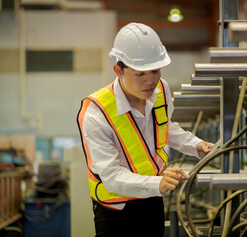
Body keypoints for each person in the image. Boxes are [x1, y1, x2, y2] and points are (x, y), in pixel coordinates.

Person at [77, 22, 214, 237]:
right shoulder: (97, 113)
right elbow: (111, 177)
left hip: (151, 200)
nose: (150, 80)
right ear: (118, 70)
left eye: (155, 71)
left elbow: (165, 126)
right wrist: (158, 182)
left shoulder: (161, 89)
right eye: (140, 74)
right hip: (115, 209)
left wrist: (195, 145)